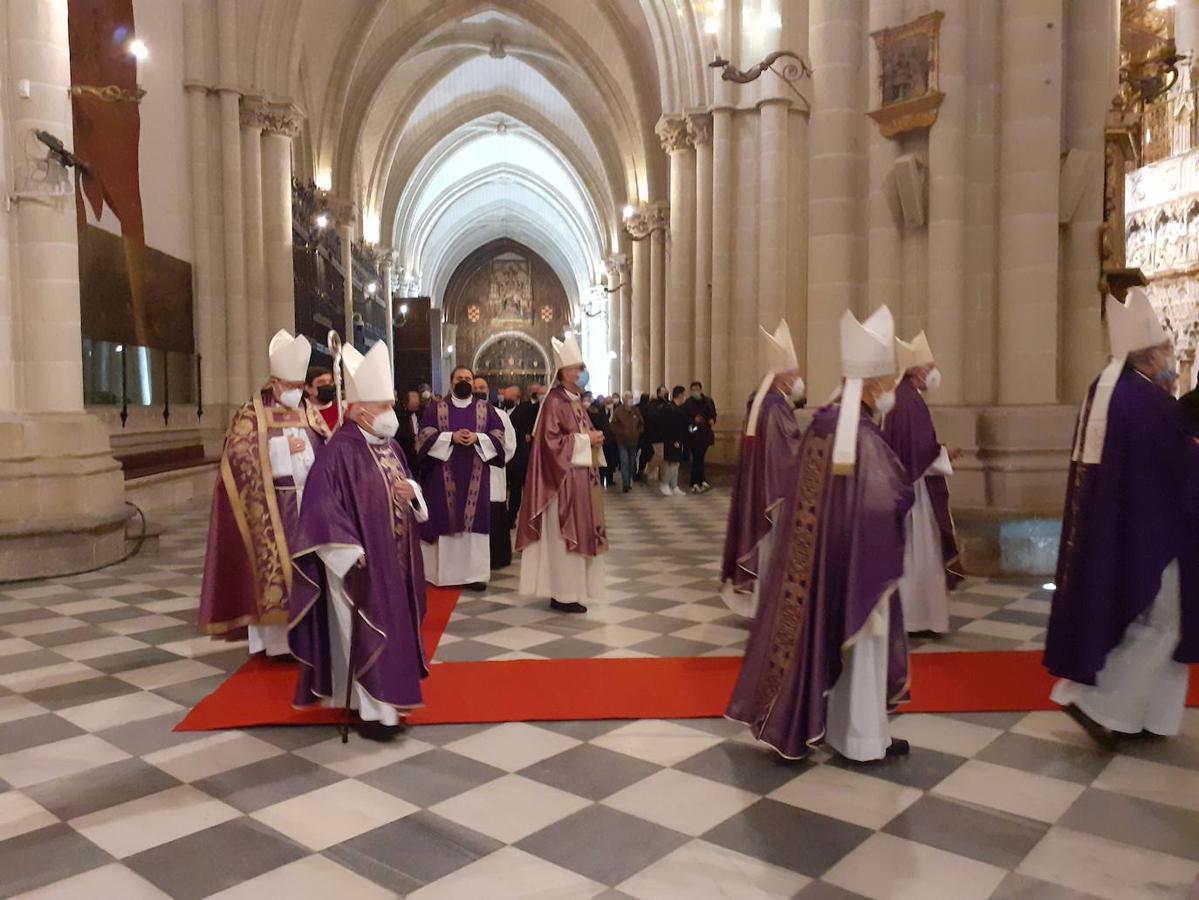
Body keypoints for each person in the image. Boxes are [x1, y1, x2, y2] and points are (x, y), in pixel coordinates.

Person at [727, 305, 915, 762]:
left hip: (818, 557)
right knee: (863, 648)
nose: (892, 390)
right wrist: (904, 494)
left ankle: (842, 730)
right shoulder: (861, 438)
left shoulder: (823, 424)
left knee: (841, 645)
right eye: (888, 382)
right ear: (870, 385)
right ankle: (864, 739)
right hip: (855, 561)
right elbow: (880, 500)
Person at [1045, 288, 1199, 746]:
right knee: (1166, 623)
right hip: (1157, 533)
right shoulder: (1149, 401)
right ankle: (1094, 703)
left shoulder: (1107, 388)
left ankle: (1147, 717)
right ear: (1150, 357)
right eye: (1167, 353)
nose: (1171, 360)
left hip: (1121, 526)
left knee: (1150, 624)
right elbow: (1177, 465)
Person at [288, 340, 430, 741]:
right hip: (358, 568)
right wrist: (347, 551)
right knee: (362, 635)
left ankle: (390, 709)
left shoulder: (390, 446)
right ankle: (371, 713)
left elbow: (404, 487)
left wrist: (412, 494)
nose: (392, 413)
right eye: (385, 406)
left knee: (393, 633)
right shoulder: (339, 453)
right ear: (360, 410)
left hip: (394, 561)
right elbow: (320, 508)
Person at [200, 329, 323, 657]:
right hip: (272, 505)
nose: (297, 393)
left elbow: (322, 445)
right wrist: (283, 447)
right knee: (273, 575)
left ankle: (309, 636)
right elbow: (239, 456)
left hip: (307, 503)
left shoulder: (309, 410)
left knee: (308, 572)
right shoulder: (251, 413)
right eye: (293, 387)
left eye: (300, 387)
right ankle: (277, 645)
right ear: (275, 382)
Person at [720, 320, 806, 618]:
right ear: (783, 379)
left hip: (761, 488)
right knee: (773, 548)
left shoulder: (763, 403)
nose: (799, 380)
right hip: (774, 492)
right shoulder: (774, 407)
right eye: (795, 374)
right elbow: (786, 449)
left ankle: (765, 603)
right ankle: (769, 605)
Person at [516, 333, 607, 613]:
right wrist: (585, 441)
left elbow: (578, 433)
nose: (583, 372)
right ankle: (563, 593)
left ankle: (575, 591)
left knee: (581, 536)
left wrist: (593, 437)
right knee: (562, 539)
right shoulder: (555, 401)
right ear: (565, 372)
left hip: (581, 481)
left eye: (582, 367)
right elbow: (549, 443)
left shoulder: (575, 399)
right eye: (578, 367)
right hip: (561, 484)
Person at [883, 332, 963, 636]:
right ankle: (917, 617)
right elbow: (918, 451)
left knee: (913, 554)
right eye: (929, 367)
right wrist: (944, 453)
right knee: (919, 554)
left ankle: (912, 615)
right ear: (916, 371)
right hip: (914, 493)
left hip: (907, 488)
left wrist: (938, 451)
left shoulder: (901, 396)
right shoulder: (909, 401)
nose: (933, 372)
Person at [415, 365, 508, 590]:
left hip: (476, 476)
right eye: (460, 378)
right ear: (451, 382)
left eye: (468, 377)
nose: (464, 381)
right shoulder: (436, 409)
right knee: (447, 519)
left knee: (475, 524)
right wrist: (449, 437)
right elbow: (423, 436)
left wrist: (478, 438)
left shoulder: (487, 409)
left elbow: (499, 437)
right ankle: (447, 576)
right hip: (443, 478)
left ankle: (474, 576)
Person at [474, 376, 518, 569]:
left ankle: (497, 558)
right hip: (471, 476)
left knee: (495, 515)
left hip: (493, 472)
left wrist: (489, 455)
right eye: (475, 387)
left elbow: (509, 444)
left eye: (482, 387)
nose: (479, 390)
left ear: (488, 390)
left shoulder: (500, 415)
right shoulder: (461, 415)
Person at [508, 383, 541, 519]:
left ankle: (512, 516)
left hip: (520, 454)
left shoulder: (532, 408)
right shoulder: (501, 408)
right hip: (506, 455)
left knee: (517, 487)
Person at [683, 381, 718, 492]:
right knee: (696, 458)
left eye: (697, 388)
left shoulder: (708, 401)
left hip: (706, 433)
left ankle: (701, 479)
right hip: (694, 433)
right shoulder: (688, 403)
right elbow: (685, 419)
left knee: (701, 458)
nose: (695, 391)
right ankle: (694, 482)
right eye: (693, 389)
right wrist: (694, 421)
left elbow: (713, 414)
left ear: (701, 389)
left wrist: (712, 419)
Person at [659, 386, 690, 497]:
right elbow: (669, 427)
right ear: (680, 395)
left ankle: (674, 485)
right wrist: (674, 440)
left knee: (676, 463)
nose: (685, 397)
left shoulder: (677, 409)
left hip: (678, 440)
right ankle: (664, 483)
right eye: (684, 395)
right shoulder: (670, 409)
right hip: (672, 441)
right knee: (672, 462)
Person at [611, 391, 644, 492]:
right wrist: (620, 433)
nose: (630, 400)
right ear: (624, 399)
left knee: (631, 463)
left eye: (631, 398)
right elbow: (613, 425)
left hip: (634, 441)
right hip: (622, 441)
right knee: (624, 462)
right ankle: (625, 484)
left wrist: (638, 432)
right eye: (628, 398)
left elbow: (641, 423)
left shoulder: (636, 410)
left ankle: (629, 480)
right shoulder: (618, 411)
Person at [304, 366, 339, 438]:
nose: (328, 385)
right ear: (308, 388)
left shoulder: (343, 412)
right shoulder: (301, 412)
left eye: (330, 382)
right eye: (321, 382)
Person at [396, 389, 422, 466]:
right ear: (406, 403)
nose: (416, 406)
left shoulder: (421, 413)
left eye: (417, 404)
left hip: (418, 454)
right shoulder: (398, 415)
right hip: (404, 451)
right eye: (414, 404)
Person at [635, 392, 655, 482]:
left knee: (634, 454)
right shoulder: (650, 408)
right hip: (647, 436)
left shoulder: (636, 407)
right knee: (645, 455)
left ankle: (635, 472)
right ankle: (640, 471)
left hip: (639, 435)